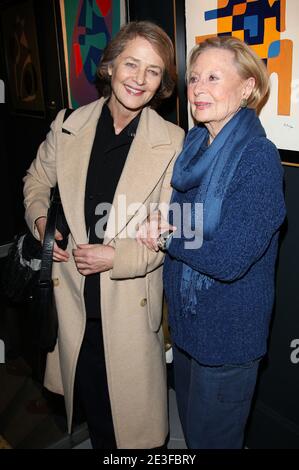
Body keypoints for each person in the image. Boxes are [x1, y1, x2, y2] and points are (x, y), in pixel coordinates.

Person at [23, 21, 184, 449]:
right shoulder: (68, 124)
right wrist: (42, 225)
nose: (140, 78)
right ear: (110, 66)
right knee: (97, 420)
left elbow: (175, 230)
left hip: (130, 308)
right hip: (74, 305)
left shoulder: (173, 142)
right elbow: (36, 183)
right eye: (131, 63)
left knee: (135, 433)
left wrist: (118, 258)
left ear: (162, 83)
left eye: (153, 71)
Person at [136, 36, 286, 449]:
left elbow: (228, 257)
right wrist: (164, 220)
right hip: (187, 329)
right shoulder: (194, 147)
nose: (198, 88)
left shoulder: (258, 158)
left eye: (214, 77)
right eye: (195, 78)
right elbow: (190, 222)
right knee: (191, 433)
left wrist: (166, 234)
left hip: (227, 340)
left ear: (247, 88)